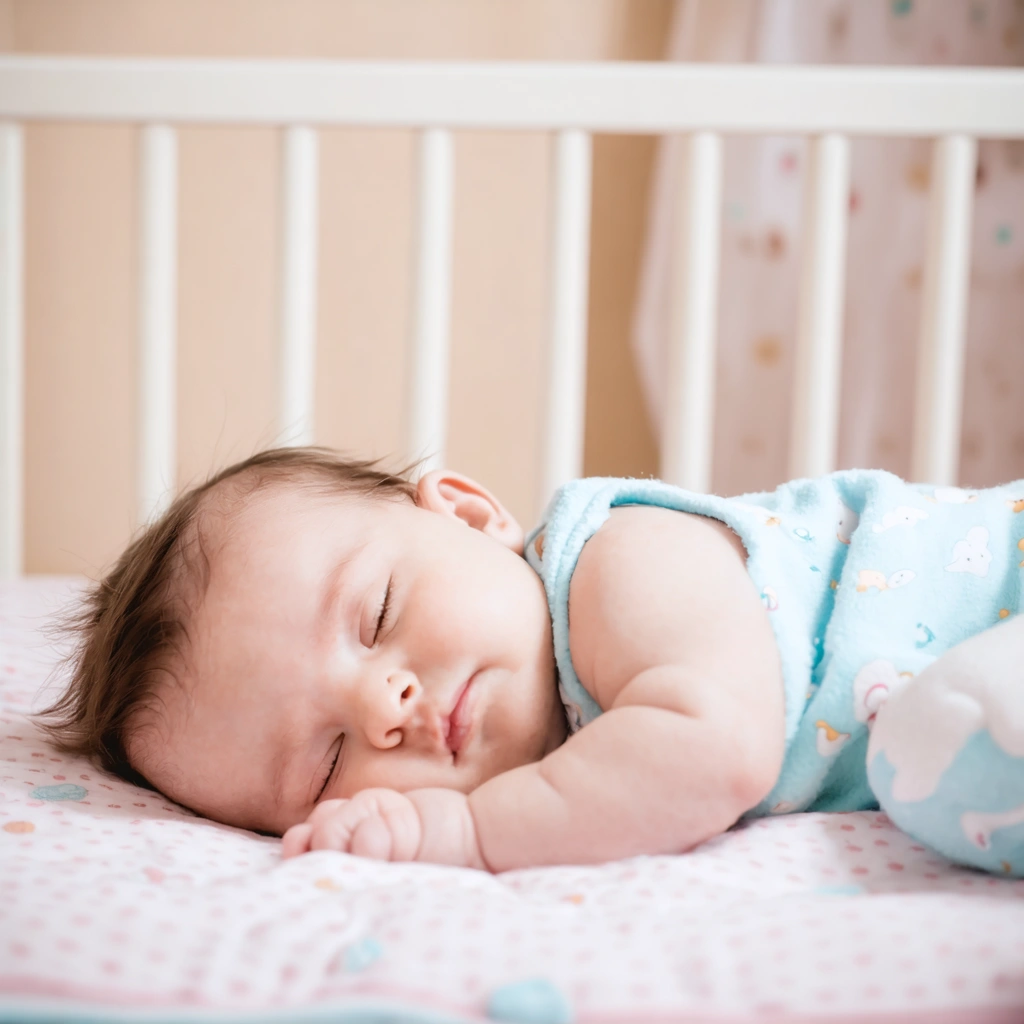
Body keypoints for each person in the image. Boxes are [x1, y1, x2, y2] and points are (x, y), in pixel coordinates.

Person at [40, 447, 1024, 875]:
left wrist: (468, 832)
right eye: (329, 760)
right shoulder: (571, 735)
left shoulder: (614, 564)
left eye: (378, 613)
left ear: (469, 513)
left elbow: (718, 753)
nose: (385, 704)